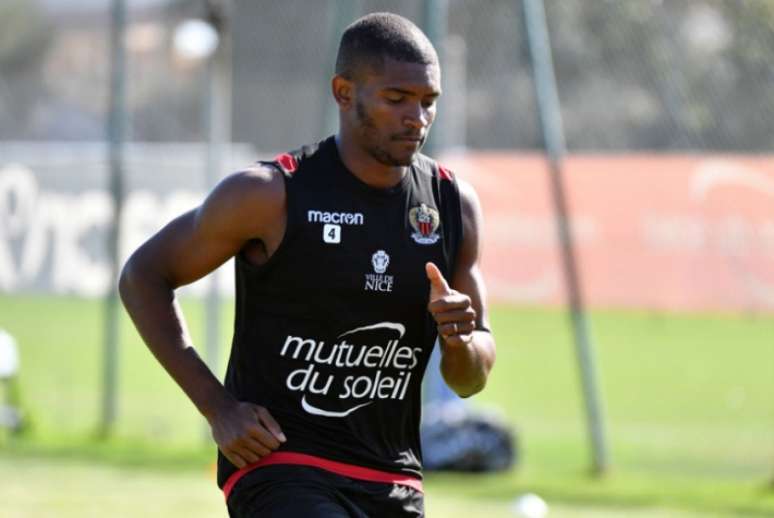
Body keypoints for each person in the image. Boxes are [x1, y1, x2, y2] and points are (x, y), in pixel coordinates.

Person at [119, 12, 495, 518]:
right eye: (397, 99)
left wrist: (460, 340)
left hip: (391, 475)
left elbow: (470, 378)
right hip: (281, 464)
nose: (418, 118)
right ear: (344, 92)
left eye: (428, 102)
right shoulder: (269, 194)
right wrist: (218, 407)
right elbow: (144, 275)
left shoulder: (452, 206)